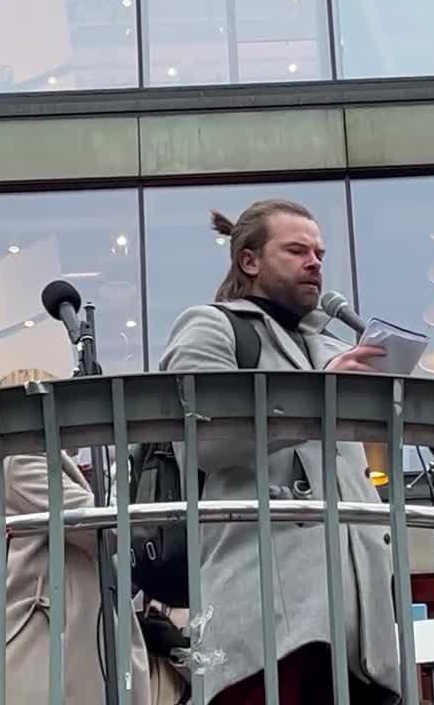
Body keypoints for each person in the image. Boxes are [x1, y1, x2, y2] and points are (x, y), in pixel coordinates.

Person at [158, 199, 400, 705]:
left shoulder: (333, 351)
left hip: (360, 632)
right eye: (295, 250)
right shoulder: (211, 327)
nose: (314, 261)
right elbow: (207, 442)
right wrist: (317, 399)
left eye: (319, 252)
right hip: (265, 620)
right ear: (249, 261)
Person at [0, 369, 152, 705]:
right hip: (39, 642)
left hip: (17, 640)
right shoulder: (22, 459)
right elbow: (104, 533)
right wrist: (125, 473)